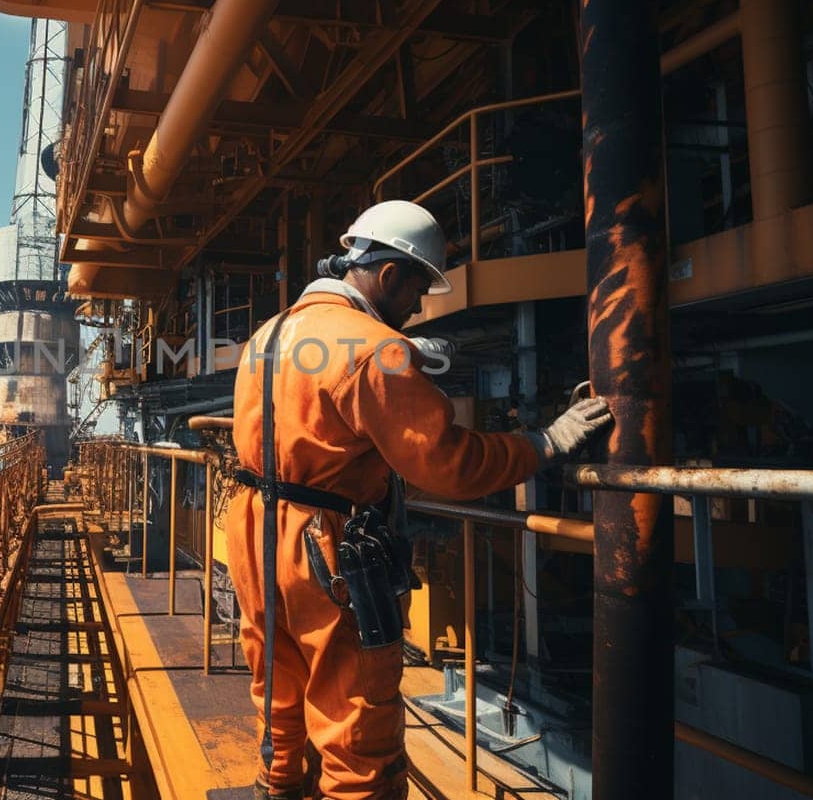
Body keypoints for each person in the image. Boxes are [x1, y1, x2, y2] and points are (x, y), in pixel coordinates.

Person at [224, 199, 612, 800]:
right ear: (388, 275)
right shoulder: (374, 348)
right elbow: (448, 462)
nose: (415, 310)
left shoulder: (266, 336)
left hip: (251, 527)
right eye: (416, 293)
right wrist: (546, 441)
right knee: (356, 702)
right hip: (321, 543)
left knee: (276, 672)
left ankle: (278, 785)